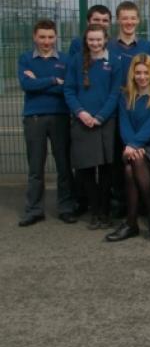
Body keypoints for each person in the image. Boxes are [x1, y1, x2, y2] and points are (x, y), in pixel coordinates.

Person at [64, 24, 123, 229]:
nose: (95, 43)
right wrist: (81, 113)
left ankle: (105, 213)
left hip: (106, 121)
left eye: (98, 40)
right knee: (87, 169)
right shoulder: (76, 61)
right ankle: (95, 211)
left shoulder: (114, 61)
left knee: (106, 169)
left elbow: (115, 92)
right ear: (86, 41)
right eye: (91, 40)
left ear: (106, 39)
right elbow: (69, 90)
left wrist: (100, 116)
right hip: (82, 122)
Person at [105, 55, 150, 242]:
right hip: (133, 150)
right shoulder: (125, 95)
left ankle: (132, 222)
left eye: (145, 72)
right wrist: (132, 146)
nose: (142, 77)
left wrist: (134, 145)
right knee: (133, 162)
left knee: (129, 168)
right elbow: (124, 125)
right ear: (132, 74)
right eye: (138, 72)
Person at [18, 19, 75, 226]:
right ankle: (34, 210)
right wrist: (53, 80)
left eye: (50, 37)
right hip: (34, 118)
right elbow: (26, 85)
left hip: (60, 117)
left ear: (56, 38)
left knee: (64, 165)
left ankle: (66, 207)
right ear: (35, 37)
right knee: (35, 167)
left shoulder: (66, 60)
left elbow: (67, 87)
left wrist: (39, 82)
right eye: (42, 37)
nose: (46, 41)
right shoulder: (25, 58)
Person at [109, 1, 150, 76]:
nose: (129, 22)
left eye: (133, 18)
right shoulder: (108, 47)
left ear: (138, 20)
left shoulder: (148, 47)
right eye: (125, 18)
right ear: (118, 20)